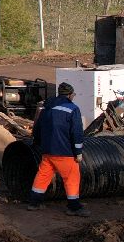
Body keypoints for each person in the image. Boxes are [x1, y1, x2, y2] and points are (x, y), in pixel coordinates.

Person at [28, 82, 87, 217]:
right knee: (71, 177)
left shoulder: (47, 107)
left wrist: (37, 143)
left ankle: (34, 202)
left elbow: (37, 127)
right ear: (70, 95)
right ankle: (74, 207)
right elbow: (76, 132)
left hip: (47, 150)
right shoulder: (72, 109)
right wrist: (78, 152)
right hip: (64, 151)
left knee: (43, 175)